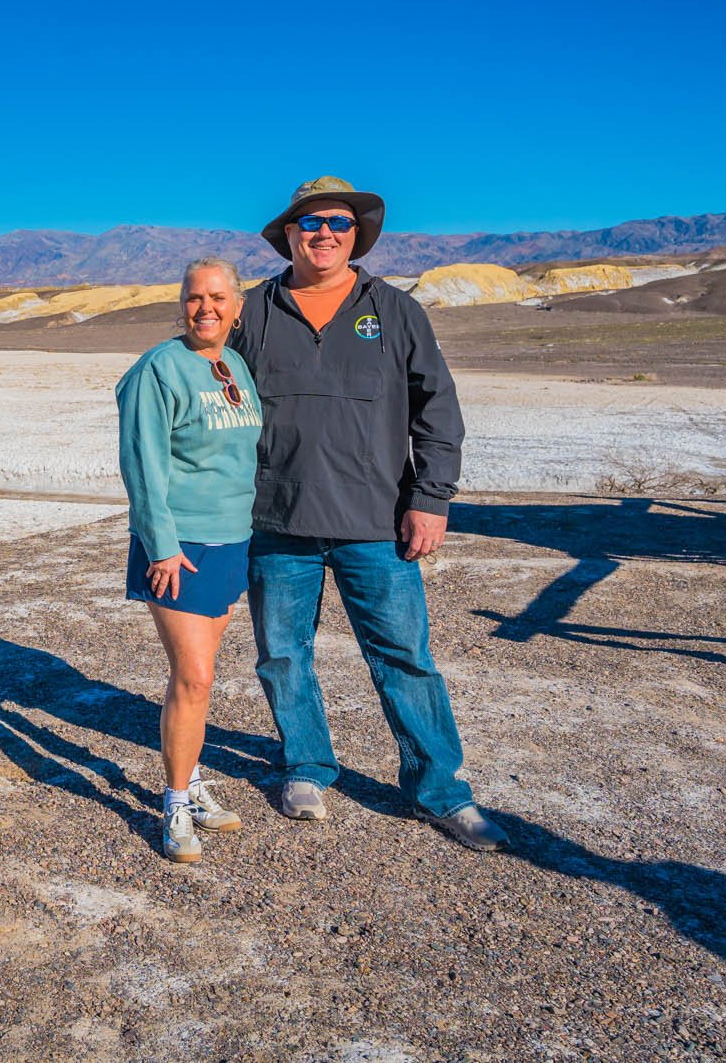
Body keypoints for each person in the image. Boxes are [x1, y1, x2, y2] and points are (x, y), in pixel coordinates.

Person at [231, 175, 506, 850]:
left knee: (405, 659)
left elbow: (437, 409)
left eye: (338, 223)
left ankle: (440, 789)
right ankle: (305, 765)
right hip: (276, 521)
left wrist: (431, 499)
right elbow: (219, 409)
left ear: (356, 235)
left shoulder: (394, 310)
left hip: (376, 524)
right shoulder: (254, 311)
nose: (324, 233)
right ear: (289, 233)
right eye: (310, 222)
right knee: (283, 655)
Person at [116, 257, 262, 863]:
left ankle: (192, 781)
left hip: (232, 539)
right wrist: (163, 545)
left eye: (218, 297)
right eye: (195, 297)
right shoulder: (159, 368)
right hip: (181, 547)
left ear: (237, 305)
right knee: (193, 677)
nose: (206, 308)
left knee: (201, 681)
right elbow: (142, 463)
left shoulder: (234, 364)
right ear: (181, 304)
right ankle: (176, 803)